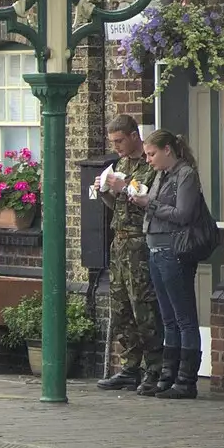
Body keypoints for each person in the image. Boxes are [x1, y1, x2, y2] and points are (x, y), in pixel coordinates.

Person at [129, 131, 206, 399]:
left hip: (174, 249)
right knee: (168, 317)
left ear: (167, 151)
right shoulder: (162, 175)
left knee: (184, 317)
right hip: (155, 248)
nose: (148, 159)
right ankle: (168, 375)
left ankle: (186, 380)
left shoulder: (186, 175)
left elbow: (182, 214)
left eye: (152, 154)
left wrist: (149, 203)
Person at [94, 115, 163, 394]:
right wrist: (104, 192)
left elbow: (150, 201)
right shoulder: (120, 164)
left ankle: (155, 367)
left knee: (143, 307)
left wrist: (124, 188)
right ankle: (130, 366)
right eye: (113, 142)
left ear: (135, 135)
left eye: (120, 140)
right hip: (119, 242)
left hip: (140, 242)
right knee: (121, 308)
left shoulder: (150, 164)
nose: (117, 146)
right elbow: (118, 206)